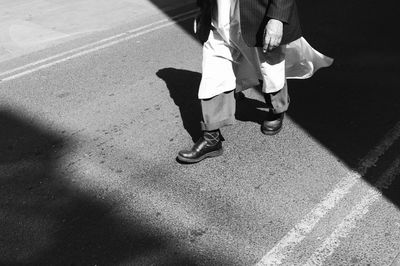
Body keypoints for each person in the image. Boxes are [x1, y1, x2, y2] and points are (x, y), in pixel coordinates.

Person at [177, 0, 333, 163]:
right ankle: (211, 138)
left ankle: (277, 108)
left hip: (259, 15)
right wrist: (203, 9)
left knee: (268, 68)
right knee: (214, 75)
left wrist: (277, 18)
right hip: (219, 17)